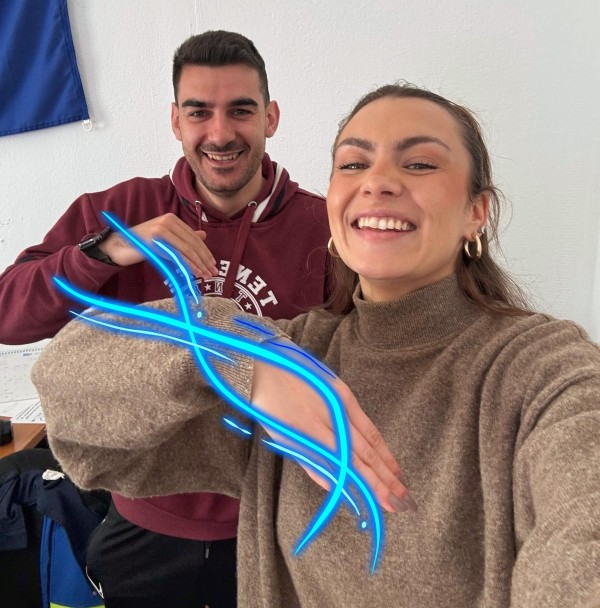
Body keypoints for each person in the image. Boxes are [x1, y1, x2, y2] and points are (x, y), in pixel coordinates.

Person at [33, 84, 600, 608]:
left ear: (476, 212)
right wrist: (244, 359)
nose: (377, 182)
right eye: (354, 164)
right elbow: (66, 385)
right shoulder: (298, 356)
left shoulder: (542, 370)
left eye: (420, 163)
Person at [0, 30, 330, 608]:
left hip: (279, 522)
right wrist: (106, 252)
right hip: (141, 523)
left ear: (271, 118)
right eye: (199, 112)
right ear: (176, 121)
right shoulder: (122, 210)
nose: (220, 134)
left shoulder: (326, 227)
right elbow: (9, 315)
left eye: (241, 110)